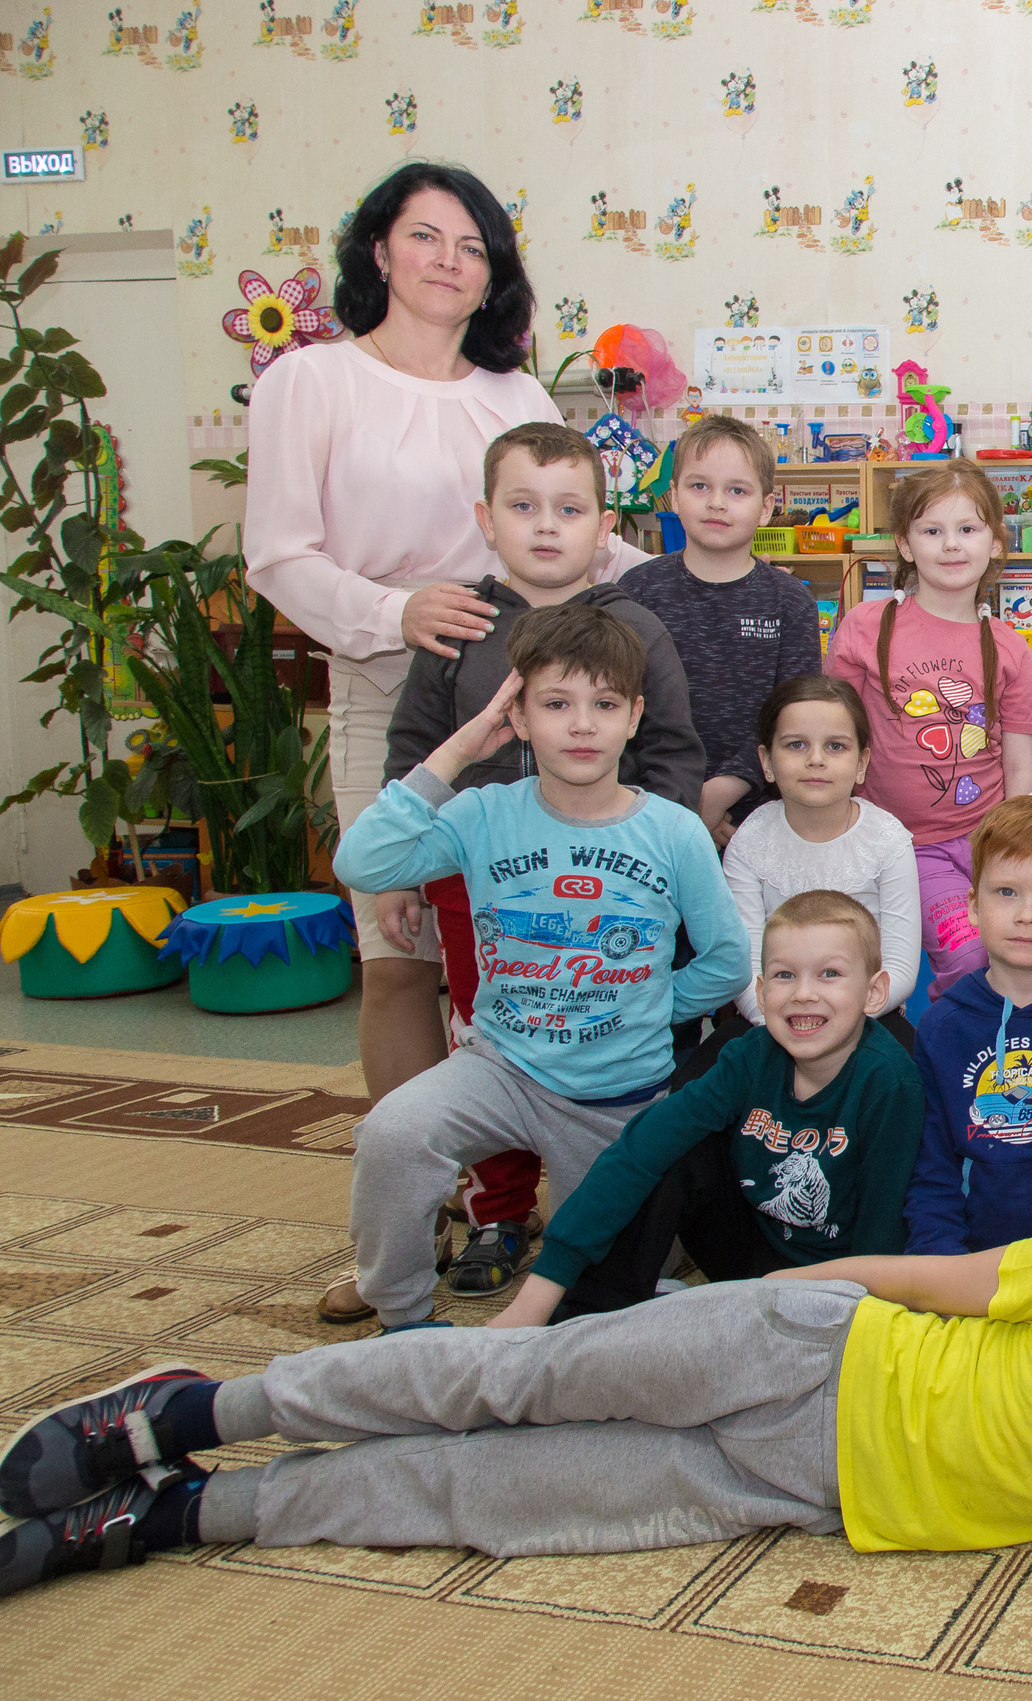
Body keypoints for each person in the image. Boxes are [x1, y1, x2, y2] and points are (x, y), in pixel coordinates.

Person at [0, 1205, 1032, 1593]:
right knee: (506, 1379)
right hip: (799, 1350)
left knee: (490, 1496)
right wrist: (766, 1295)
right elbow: (911, 1278)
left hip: (792, 1489)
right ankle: (193, 1413)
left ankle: (184, 1516)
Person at [244, 159, 644, 1108]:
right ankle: (418, 1164)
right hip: (391, 679)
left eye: (472, 247)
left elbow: (580, 536)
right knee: (398, 953)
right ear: (379, 251)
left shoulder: (515, 395)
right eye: (424, 236)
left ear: (492, 273)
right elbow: (277, 555)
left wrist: (700, 582)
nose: (447, 260)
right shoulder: (312, 379)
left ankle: (523, 1155)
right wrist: (398, 611)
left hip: (534, 690)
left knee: (532, 940)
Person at [354, 422, 704, 1316]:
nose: (546, 526)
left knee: (599, 1043)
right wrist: (397, 876)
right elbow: (413, 749)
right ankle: (499, 1212)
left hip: (613, 889)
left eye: (570, 509)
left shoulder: (637, 627)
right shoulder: (460, 625)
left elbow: (672, 751)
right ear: (486, 518)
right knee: (490, 1039)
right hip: (475, 883)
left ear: (605, 526)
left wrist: (661, 865)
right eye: (522, 506)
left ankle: (603, 1217)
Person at [329, 605, 750, 1332]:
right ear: (518, 718)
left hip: (620, 1094)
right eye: (556, 705)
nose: (582, 725)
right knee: (392, 1135)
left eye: (605, 705)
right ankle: (403, 1320)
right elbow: (362, 863)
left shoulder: (674, 831)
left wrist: (651, 1006)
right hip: (501, 1068)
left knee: (600, 1301)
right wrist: (458, 750)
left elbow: (727, 961)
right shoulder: (482, 813)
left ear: (634, 717)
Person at [482, 889, 922, 1324]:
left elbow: (884, 1234)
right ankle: (591, 1316)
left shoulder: (890, 1083)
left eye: (829, 973)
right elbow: (638, 1150)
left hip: (845, 1282)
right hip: (751, 1264)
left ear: (874, 993)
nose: (804, 993)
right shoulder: (748, 1057)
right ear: (762, 992)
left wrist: (853, 1322)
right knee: (670, 1144)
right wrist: (538, 1295)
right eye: (785, 975)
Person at [826, 463, 1032, 997]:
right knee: (970, 955)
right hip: (905, 844)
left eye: (968, 529)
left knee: (1028, 952)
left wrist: (1015, 849)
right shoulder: (864, 626)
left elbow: (1020, 764)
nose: (951, 544)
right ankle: (951, 1040)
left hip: (989, 840)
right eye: (932, 530)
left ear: (995, 542)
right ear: (905, 544)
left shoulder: (1011, 647)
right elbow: (833, 733)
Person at [905, 797, 1032, 1255]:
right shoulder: (940, 1028)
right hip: (965, 1257)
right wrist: (945, 1264)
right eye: (1006, 892)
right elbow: (931, 1172)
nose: (1027, 915)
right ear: (973, 906)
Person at [619, 414, 823, 849]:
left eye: (737, 490)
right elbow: (620, 706)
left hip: (758, 816)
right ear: (674, 496)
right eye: (699, 486)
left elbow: (795, 713)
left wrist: (720, 793)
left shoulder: (790, 602)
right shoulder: (636, 591)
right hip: (649, 809)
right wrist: (680, 802)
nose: (716, 503)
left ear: (766, 507)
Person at [721, 676, 923, 1038]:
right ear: (767, 761)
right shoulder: (750, 841)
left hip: (868, 1014)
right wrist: (783, 1024)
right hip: (774, 1018)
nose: (816, 760)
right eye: (796, 745)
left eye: (835, 746)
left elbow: (900, 967)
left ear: (861, 763)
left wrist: (839, 1023)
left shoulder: (887, 840)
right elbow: (746, 966)